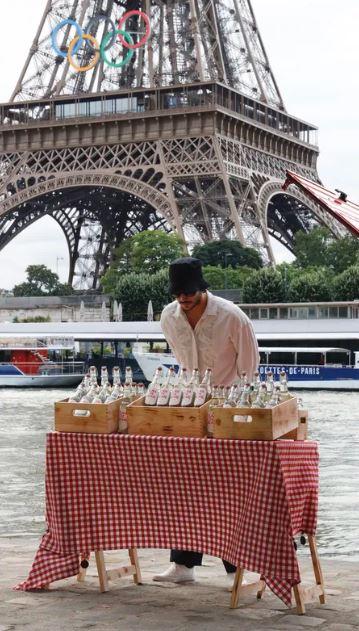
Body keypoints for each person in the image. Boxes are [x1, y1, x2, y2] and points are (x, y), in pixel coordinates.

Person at [153, 256, 259, 584]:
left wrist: (241, 411)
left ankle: (236, 566)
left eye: (188, 292)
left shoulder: (232, 316)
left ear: (201, 288)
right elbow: (181, 361)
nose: (183, 298)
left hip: (229, 408)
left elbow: (250, 367)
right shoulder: (168, 317)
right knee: (184, 486)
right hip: (190, 405)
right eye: (178, 293)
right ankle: (183, 565)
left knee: (230, 489)